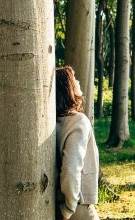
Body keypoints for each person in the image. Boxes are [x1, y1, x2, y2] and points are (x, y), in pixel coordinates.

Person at [56, 66, 100, 220]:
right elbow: (71, 168)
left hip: (58, 203)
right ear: (68, 87)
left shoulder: (53, 122)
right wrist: (68, 209)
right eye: (74, 79)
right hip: (77, 206)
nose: (78, 81)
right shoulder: (78, 121)